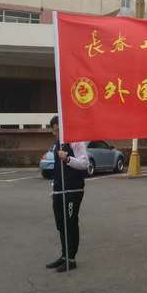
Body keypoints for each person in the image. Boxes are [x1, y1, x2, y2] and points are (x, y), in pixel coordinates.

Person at [45, 115, 89, 273]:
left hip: (73, 190)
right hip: (59, 190)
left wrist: (68, 158)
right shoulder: (57, 144)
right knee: (61, 224)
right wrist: (54, 187)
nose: (55, 133)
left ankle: (71, 259)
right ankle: (64, 256)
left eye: (57, 130)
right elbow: (58, 169)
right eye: (54, 130)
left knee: (70, 224)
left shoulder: (75, 141)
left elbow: (84, 163)